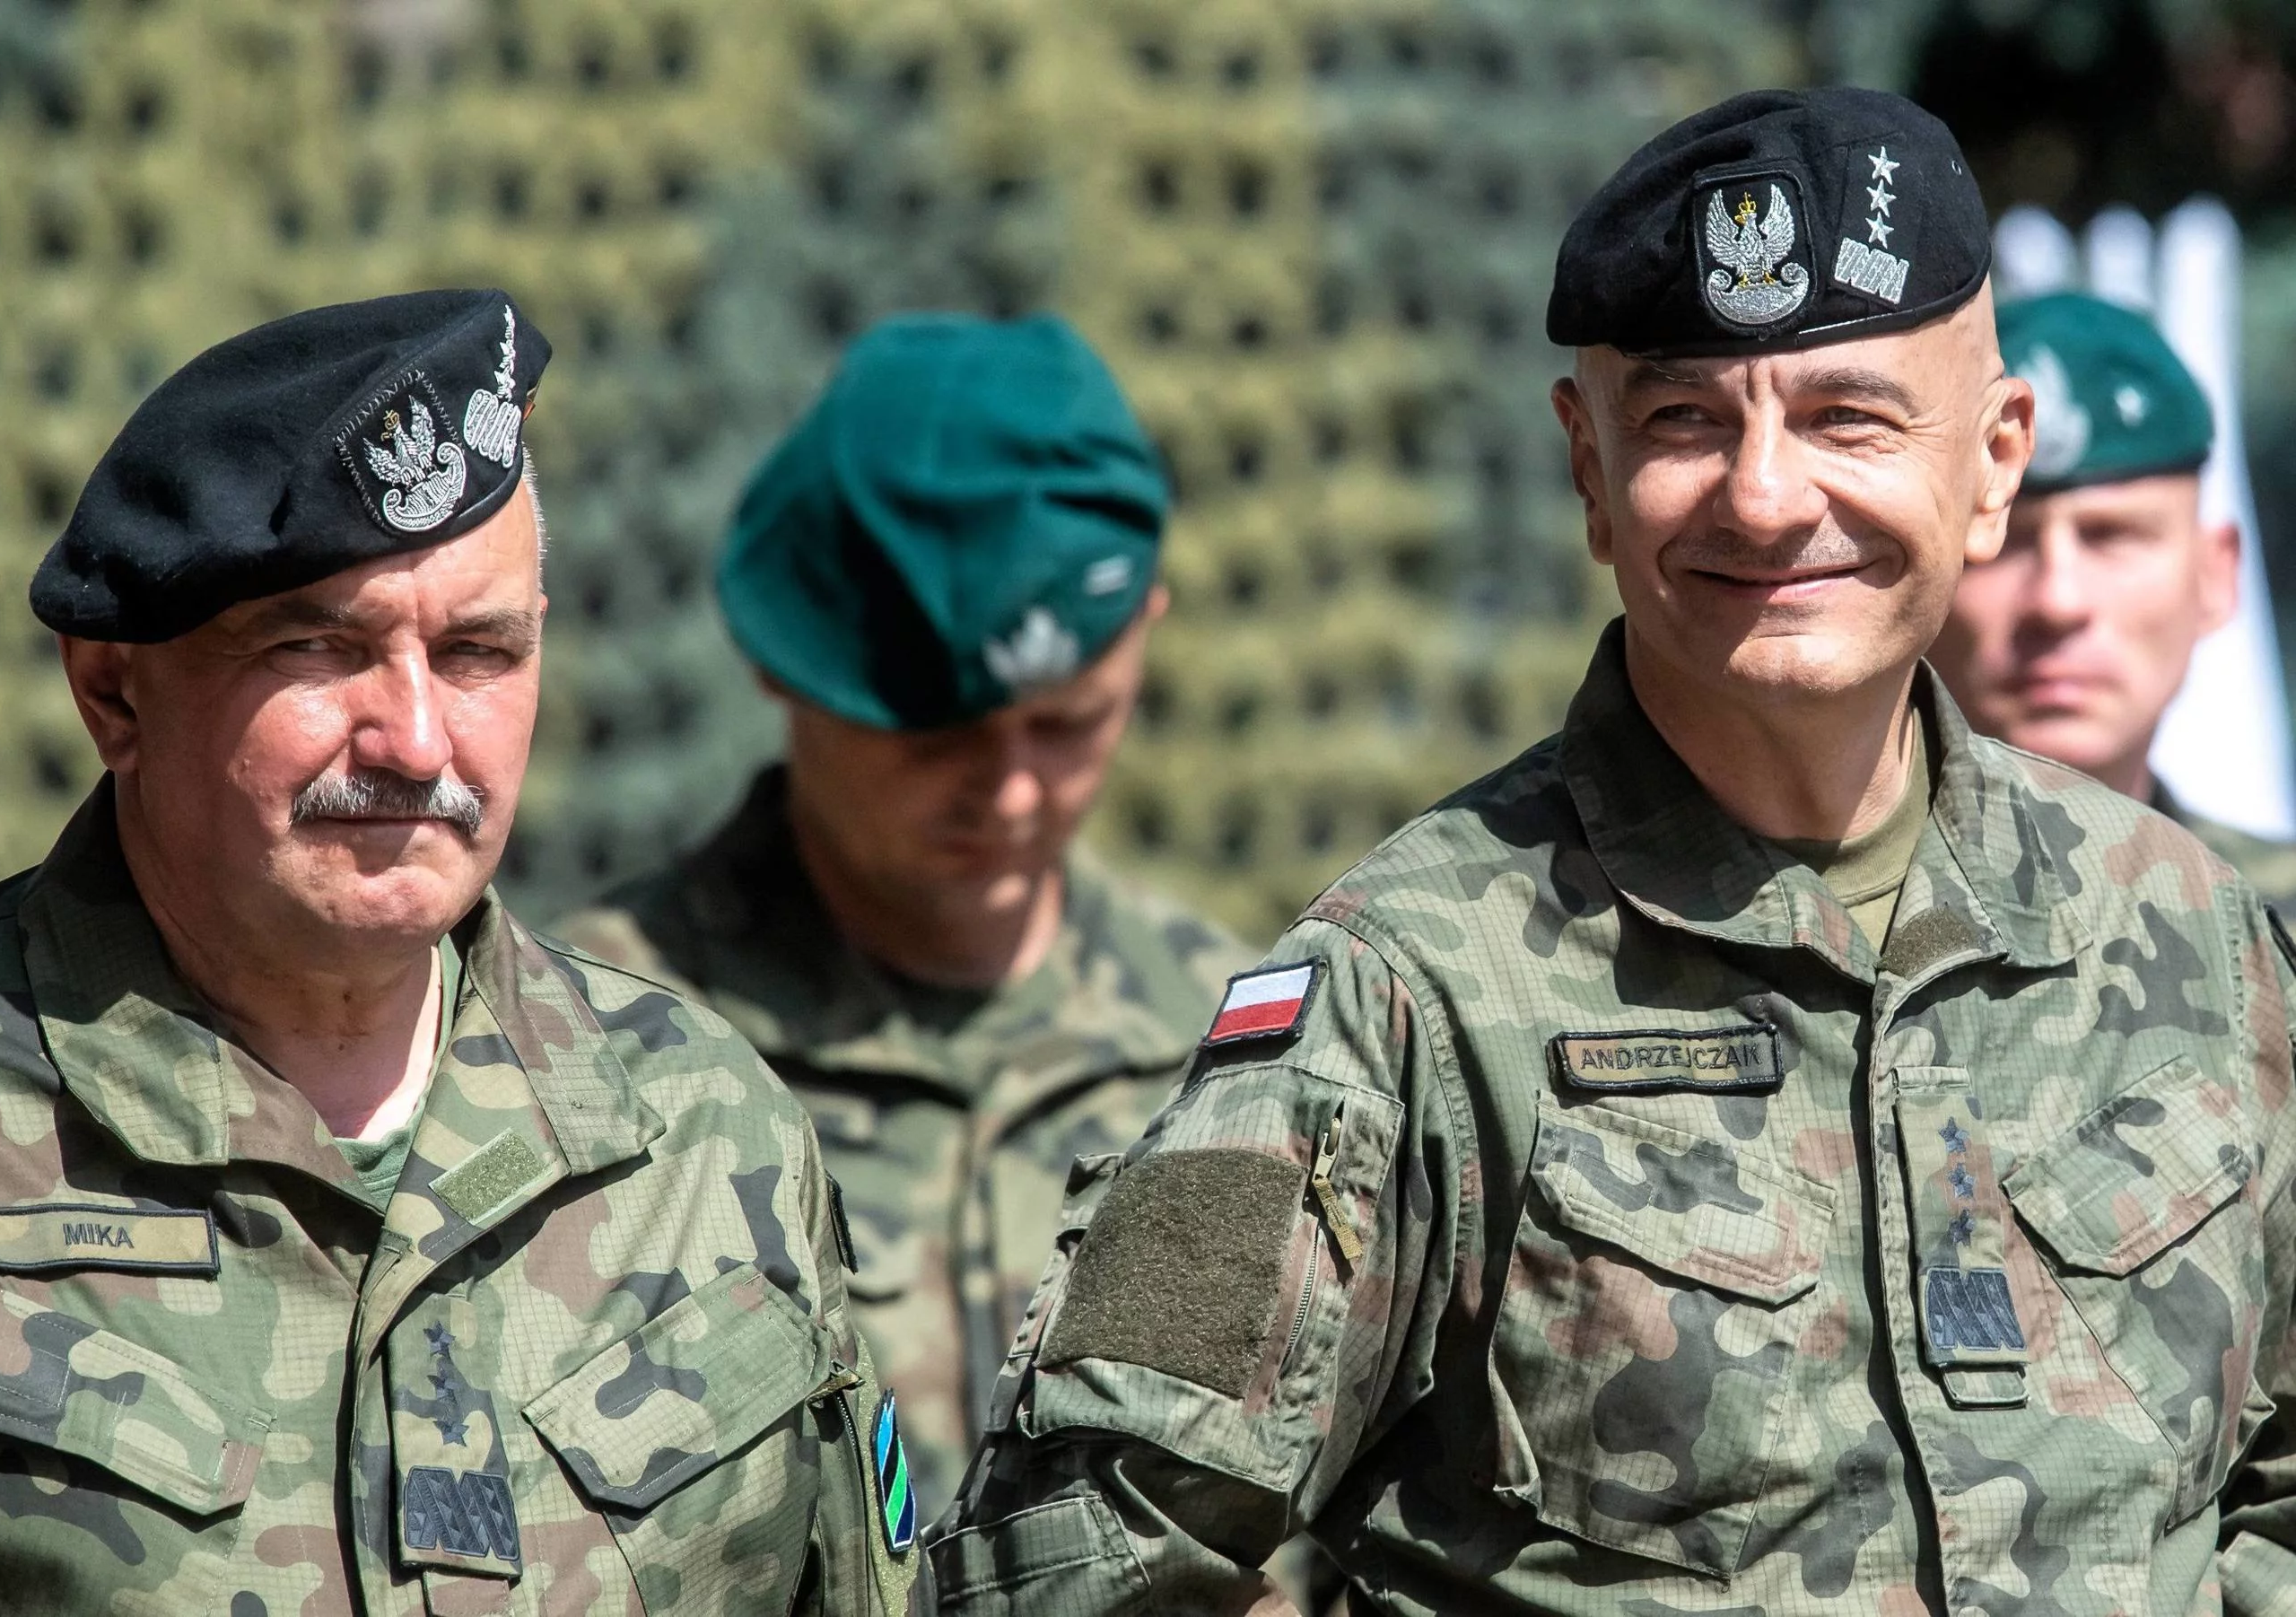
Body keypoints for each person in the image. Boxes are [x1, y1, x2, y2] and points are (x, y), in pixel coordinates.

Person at [928, 88, 2296, 1613]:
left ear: (1994, 461)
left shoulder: (2197, 938)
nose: (1769, 497)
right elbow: (1065, 1564)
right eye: (1685, 422)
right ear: (1588, 471)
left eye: (1848, 416)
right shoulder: (1410, 991)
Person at [0, 292, 912, 1615]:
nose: (415, 739)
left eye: (477, 652)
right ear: (114, 690)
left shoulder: (703, 1133)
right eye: (319, 646)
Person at [551, 312, 1250, 1517]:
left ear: (1145, 630)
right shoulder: (590, 1055)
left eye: (1070, 723)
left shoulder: (1240, 1050)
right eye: (938, 737)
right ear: (784, 666)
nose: (1016, 788)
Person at [1931, 289, 2296, 905]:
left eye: (2112, 537)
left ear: (2215, 578)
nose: (2058, 601)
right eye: (2005, 540)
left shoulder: (2273, 927)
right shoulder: (1790, 926)